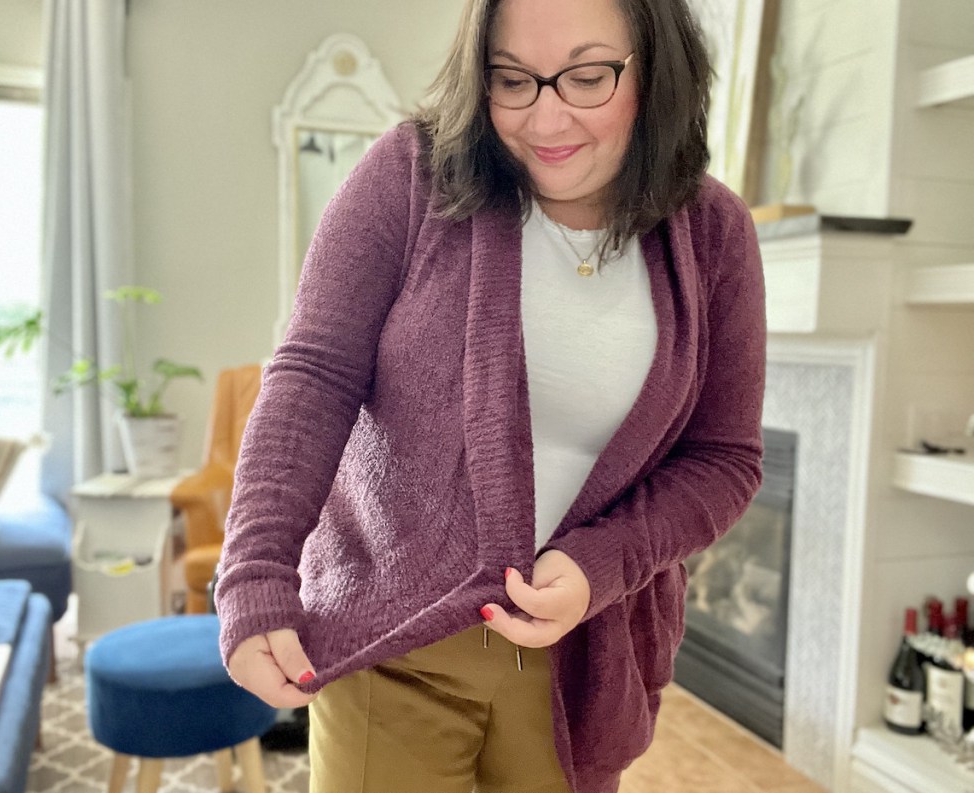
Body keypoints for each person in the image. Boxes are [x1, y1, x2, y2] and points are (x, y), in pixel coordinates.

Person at [215, 0, 765, 790]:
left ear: (658, 67)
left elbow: (725, 458)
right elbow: (313, 375)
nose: (545, 116)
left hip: (582, 668)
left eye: (586, 77)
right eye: (512, 80)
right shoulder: (410, 174)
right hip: (393, 642)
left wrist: (605, 562)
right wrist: (255, 571)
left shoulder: (714, 235)